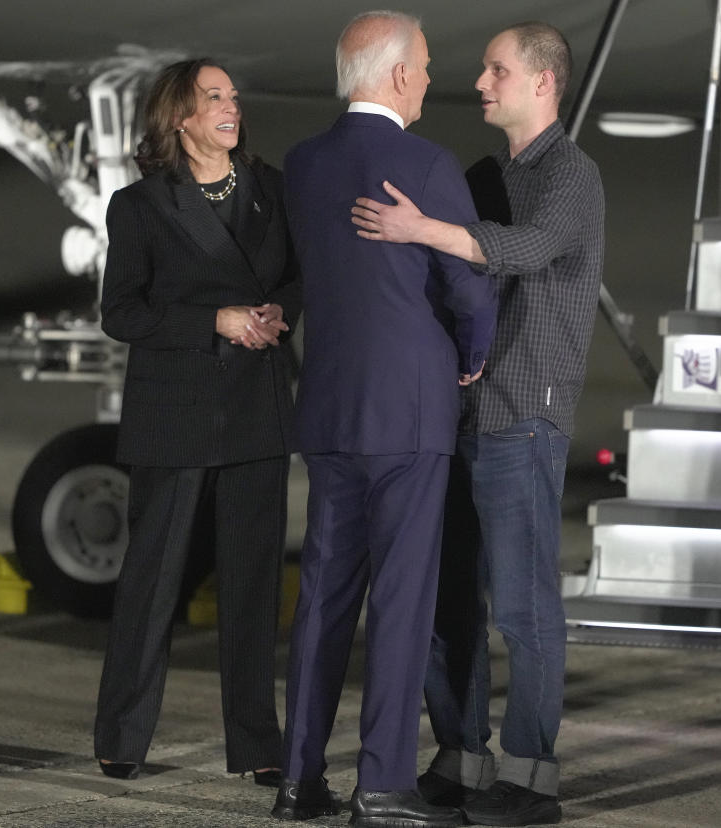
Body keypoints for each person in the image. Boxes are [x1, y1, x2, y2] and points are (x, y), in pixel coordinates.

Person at [351, 21, 605, 827]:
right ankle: (461, 755)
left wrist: (421, 227)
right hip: (459, 417)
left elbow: (525, 249)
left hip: (525, 417)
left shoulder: (573, 175)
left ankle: (531, 778)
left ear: (543, 83)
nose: (481, 83)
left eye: (498, 71)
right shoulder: (484, 174)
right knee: (446, 601)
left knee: (524, 610)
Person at [271, 11, 498, 828]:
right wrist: (472, 354)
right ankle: (382, 784)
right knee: (402, 600)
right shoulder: (429, 165)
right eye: (428, 67)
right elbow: (467, 287)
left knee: (324, 598)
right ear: (398, 75)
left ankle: (299, 782)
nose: (433, 79)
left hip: (331, 406)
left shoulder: (303, 165)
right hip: (408, 412)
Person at [93, 57, 300, 788]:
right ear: (178, 117)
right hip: (176, 409)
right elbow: (121, 312)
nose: (231, 107)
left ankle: (257, 745)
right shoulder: (141, 205)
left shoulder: (272, 190)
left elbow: (297, 278)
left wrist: (281, 311)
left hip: (258, 407)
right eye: (214, 98)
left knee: (252, 586)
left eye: (234, 97)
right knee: (151, 582)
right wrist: (213, 318)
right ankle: (122, 736)